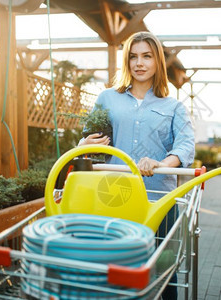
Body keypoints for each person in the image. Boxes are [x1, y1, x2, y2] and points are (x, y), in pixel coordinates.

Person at [78, 31, 195, 299]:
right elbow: (91, 140)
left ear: (158, 63)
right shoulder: (107, 98)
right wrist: (84, 144)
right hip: (112, 196)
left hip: (158, 199)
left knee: (163, 269)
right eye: (133, 57)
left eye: (147, 56)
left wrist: (161, 163)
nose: (139, 63)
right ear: (126, 61)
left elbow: (186, 145)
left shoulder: (174, 106)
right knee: (114, 266)